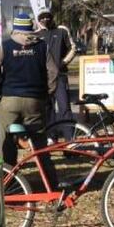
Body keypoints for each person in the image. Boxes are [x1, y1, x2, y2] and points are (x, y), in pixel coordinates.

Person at [0, 11, 58, 166]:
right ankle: (49, 181)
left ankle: (10, 179)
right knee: (39, 143)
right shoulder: (42, 46)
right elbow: (53, 72)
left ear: (15, 28)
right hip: (35, 101)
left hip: (9, 101)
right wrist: (47, 94)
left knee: (7, 141)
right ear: (31, 28)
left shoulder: (5, 46)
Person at [35, 7, 77, 136]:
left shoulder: (62, 31)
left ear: (52, 17)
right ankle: (51, 137)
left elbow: (73, 48)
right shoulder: (36, 35)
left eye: (48, 16)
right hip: (44, 79)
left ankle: (70, 139)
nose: (45, 19)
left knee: (64, 107)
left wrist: (63, 62)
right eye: (42, 17)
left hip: (60, 76)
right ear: (38, 20)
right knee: (48, 108)